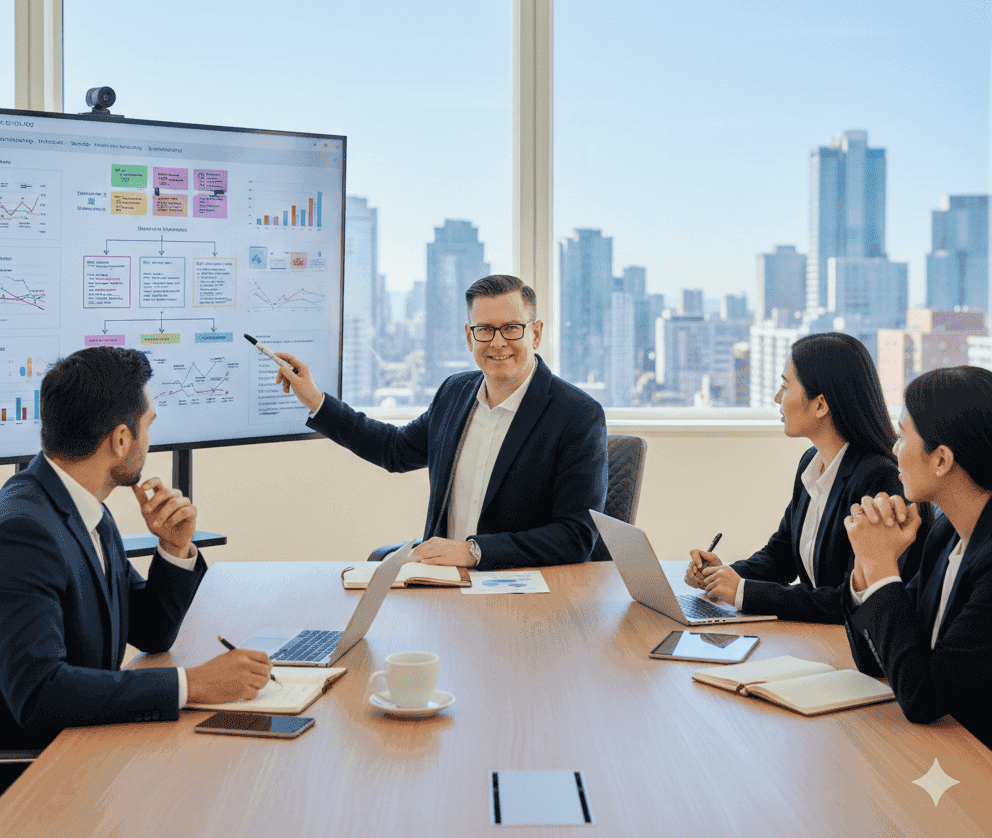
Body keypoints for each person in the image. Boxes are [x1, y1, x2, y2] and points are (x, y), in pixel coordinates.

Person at [0, 346, 273, 784]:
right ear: (121, 439)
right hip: (41, 772)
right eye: (148, 426)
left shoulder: (84, 507)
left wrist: (174, 548)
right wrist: (191, 685)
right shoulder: (25, 532)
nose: (149, 440)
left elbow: (149, 630)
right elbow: (39, 692)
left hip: (90, 747)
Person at [275, 274, 608, 570]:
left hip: (523, 589)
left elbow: (575, 536)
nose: (497, 342)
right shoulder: (454, 393)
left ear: (535, 334)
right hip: (442, 582)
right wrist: (316, 400)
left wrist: (474, 551)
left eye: (511, 328)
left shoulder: (577, 414)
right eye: (484, 330)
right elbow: (394, 449)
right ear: (469, 336)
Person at [684, 332, 925, 622]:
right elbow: (781, 554)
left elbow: (852, 597)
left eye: (785, 387)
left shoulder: (880, 479)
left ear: (821, 405)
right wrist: (724, 575)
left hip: (848, 646)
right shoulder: (811, 463)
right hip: (816, 637)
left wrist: (744, 592)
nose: (777, 398)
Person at [843, 365, 992, 750]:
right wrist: (866, 569)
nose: (893, 450)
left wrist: (880, 567)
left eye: (901, 436)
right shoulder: (945, 534)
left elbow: (923, 699)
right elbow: (876, 661)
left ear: (941, 459)